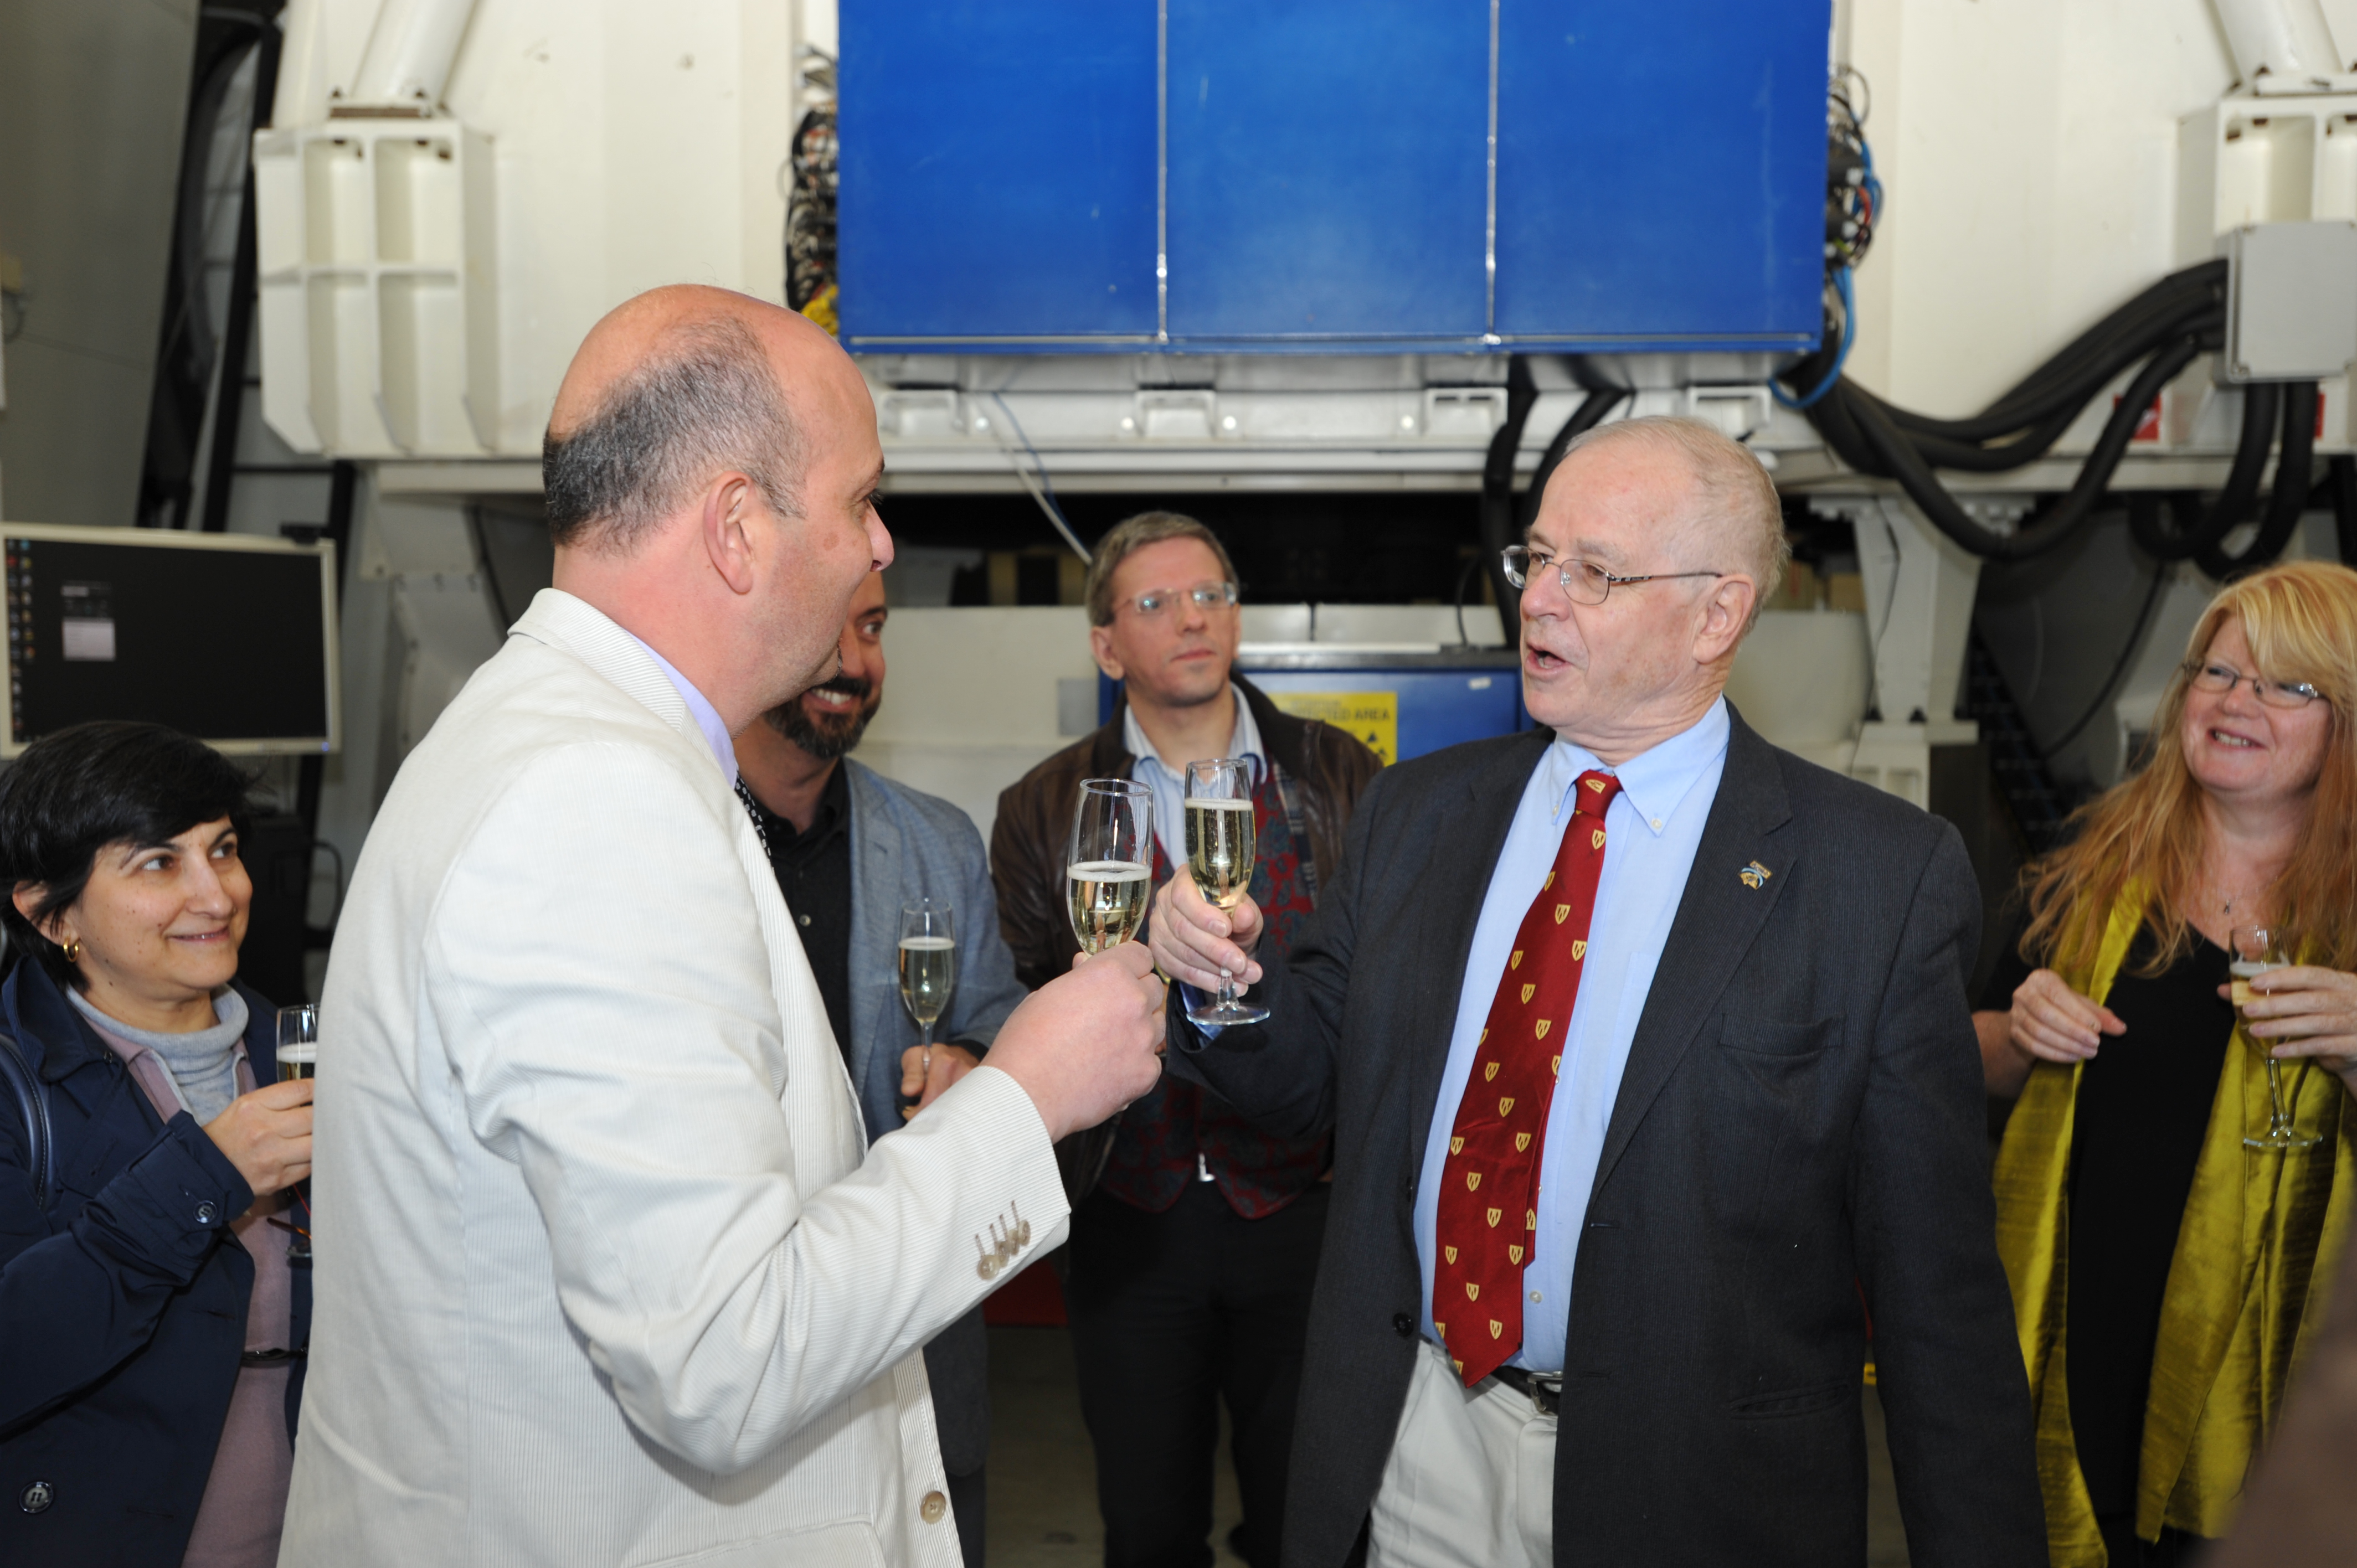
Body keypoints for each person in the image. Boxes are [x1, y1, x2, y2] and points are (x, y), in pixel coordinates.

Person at [279, 286, 1166, 1568]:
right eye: (862, 500)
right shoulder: (594, 799)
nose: (879, 545)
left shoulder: (549, 740)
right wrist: (1026, 1097)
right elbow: (721, 1359)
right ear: (738, 527)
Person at [1149, 415, 2045, 1568]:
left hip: (1694, 1492)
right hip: (1419, 1446)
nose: (1538, 600)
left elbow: (1937, 1298)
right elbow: (1311, 1081)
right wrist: (1226, 977)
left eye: (1595, 572)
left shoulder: (1876, 878)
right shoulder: (1418, 814)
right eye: (1536, 558)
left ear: (1717, 614)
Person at [990, 510, 1380, 1568]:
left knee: (1313, 1524)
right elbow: (1019, 997)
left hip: (1304, 1210)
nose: (1192, 618)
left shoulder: (1341, 774)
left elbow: (1380, 989)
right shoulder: (1041, 807)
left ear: (1238, 620)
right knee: (1149, 1527)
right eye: (1155, 603)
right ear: (1107, 646)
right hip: (1130, 1217)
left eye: (1210, 595)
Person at [1976, 559, 2357, 1567]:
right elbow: (1960, 1061)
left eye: (2285, 686)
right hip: (2090, 1354)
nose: (2236, 704)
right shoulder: (2090, 865)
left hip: (2293, 1383)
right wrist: (2018, 1031)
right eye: (2217, 674)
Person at [734, 565, 1030, 1568]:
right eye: (830, 630)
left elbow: (995, 1018)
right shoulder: (673, 831)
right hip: (733, 1348)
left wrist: (972, 1063)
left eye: (872, 628)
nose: (855, 661)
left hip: (917, 1342)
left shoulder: (937, 840)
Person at [0, 720, 314, 1567]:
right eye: (158, 864)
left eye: (224, 850)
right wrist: (203, 1176)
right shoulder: (14, 1087)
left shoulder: (299, 1050)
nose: (217, 896)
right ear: (49, 912)